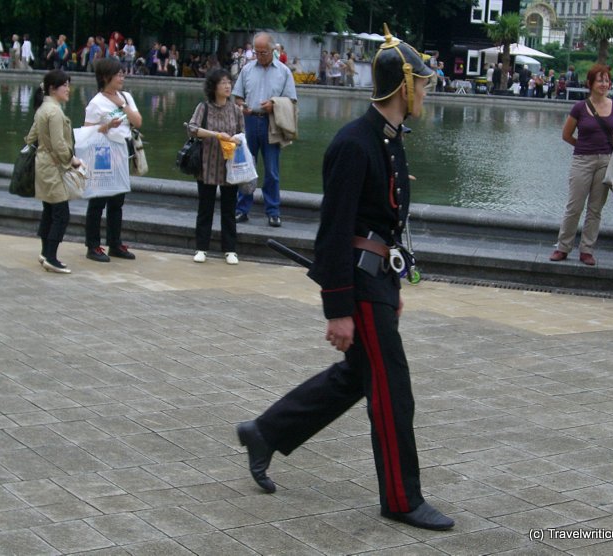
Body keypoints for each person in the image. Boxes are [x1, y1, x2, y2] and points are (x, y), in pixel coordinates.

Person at [236, 27, 454, 532]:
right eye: (421, 83)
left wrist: (393, 287)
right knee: (392, 390)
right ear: (402, 86)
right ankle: (401, 498)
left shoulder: (388, 141)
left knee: (358, 376)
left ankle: (264, 432)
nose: (425, 91)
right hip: (357, 288)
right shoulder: (354, 145)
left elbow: (387, 225)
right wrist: (337, 310)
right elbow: (334, 233)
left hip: (378, 282)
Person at [550, 64, 613, 267]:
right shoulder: (579, 107)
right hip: (582, 161)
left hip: (605, 162)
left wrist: (604, 146)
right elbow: (566, 135)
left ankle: (586, 250)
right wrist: (584, 146)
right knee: (574, 206)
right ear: (590, 83)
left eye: (607, 80)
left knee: (595, 209)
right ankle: (563, 247)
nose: (604, 84)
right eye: (600, 80)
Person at [232, 32, 297, 227]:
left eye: (264, 52)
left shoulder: (284, 71)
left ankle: (273, 211)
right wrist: (242, 106)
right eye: (258, 52)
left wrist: (274, 105)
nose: (260, 56)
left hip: (271, 122)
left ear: (273, 50)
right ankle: (242, 209)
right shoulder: (247, 69)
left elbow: (292, 101)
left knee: (271, 169)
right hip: (249, 121)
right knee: (246, 167)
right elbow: (237, 96)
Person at [84, 57, 142, 263]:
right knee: (98, 200)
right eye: (118, 74)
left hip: (122, 151)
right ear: (105, 77)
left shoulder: (125, 96)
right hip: (103, 153)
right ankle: (92, 245)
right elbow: (87, 132)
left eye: (122, 73)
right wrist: (107, 126)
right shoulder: (96, 103)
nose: (121, 77)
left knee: (117, 201)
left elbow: (138, 121)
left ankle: (115, 243)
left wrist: (123, 105)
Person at [25, 70, 82, 274]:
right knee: (61, 213)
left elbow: (30, 137)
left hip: (43, 165)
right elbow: (59, 145)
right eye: (64, 85)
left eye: (68, 84)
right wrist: (72, 159)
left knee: (49, 210)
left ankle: (45, 252)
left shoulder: (42, 109)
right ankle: (51, 256)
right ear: (52, 88)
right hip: (52, 167)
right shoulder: (55, 111)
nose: (68, 89)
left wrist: (44, 147)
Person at [187, 68, 245, 265]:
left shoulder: (236, 110)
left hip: (230, 165)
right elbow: (192, 129)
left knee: (229, 209)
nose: (228, 86)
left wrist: (235, 140)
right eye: (223, 83)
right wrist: (216, 134)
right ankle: (201, 248)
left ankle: (230, 249)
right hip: (207, 164)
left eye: (229, 82)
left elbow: (242, 135)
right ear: (214, 87)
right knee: (205, 207)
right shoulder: (204, 107)